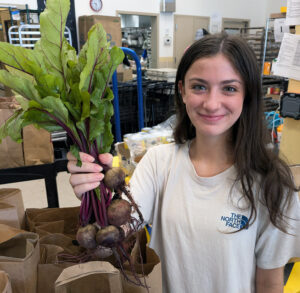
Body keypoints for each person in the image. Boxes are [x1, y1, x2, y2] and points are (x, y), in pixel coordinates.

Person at [67, 33, 300, 293]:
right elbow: (115, 233)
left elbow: (269, 283)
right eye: (199, 86)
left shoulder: (272, 183)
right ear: (182, 91)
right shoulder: (158, 163)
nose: (212, 103)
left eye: (229, 88)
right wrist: (94, 190)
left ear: (246, 96)